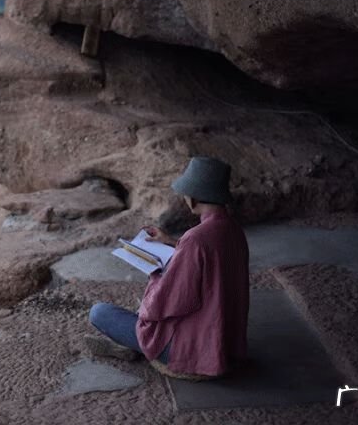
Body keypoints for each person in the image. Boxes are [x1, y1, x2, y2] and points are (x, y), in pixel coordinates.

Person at [86, 156, 250, 381]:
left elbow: (166, 303)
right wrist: (172, 243)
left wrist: (156, 272)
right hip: (223, 340)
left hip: (189, 348)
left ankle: (133, 347)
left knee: (100, 312)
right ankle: (131, 345)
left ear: (194, 197)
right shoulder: (232, 230)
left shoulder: (195, 239)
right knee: (143, 314)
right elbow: (210, 262)